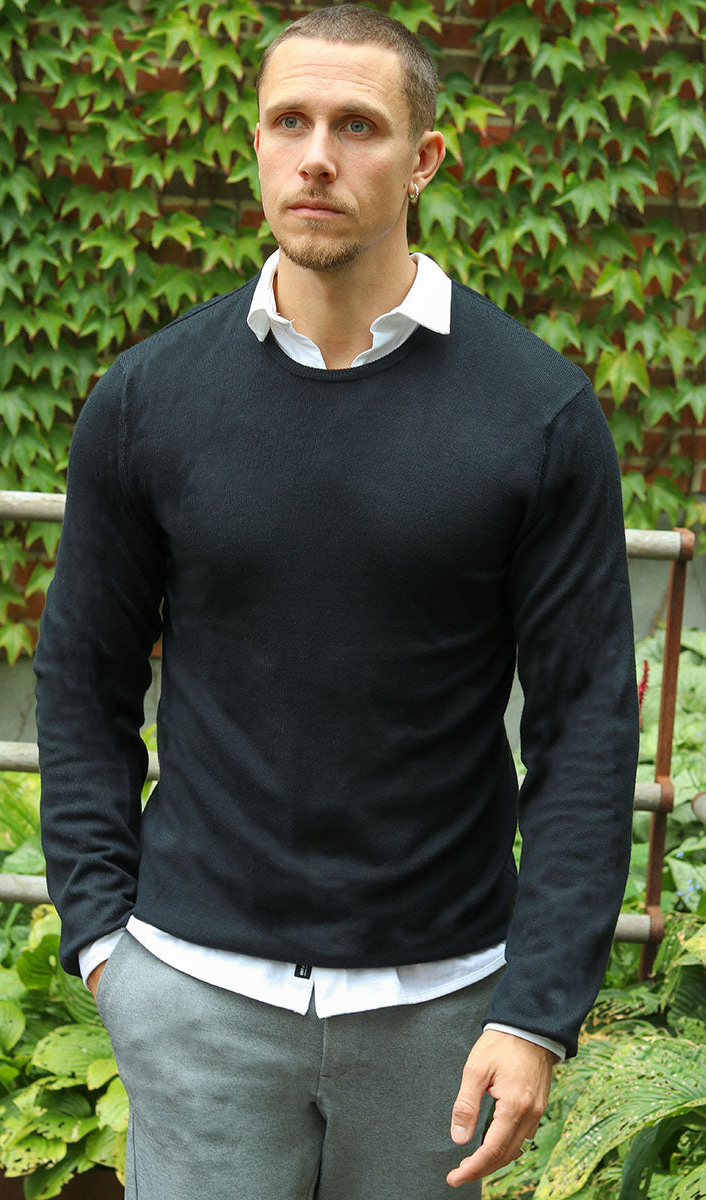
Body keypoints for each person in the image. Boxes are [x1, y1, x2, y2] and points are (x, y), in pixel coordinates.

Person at [34, 5, 639, 1198]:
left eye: (356, 126)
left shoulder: (536, 413)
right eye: (288, 122)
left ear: (422, 161)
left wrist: (535, 1010)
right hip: (193, 994)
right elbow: (83, 674)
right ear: (256, 145)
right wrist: (103, 941)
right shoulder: (149, 400)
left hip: (443, 1013)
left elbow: (584, 729)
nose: (315, 156)